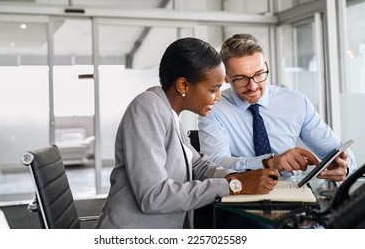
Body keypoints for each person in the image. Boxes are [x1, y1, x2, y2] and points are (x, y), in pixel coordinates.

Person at [95, 37, 279, 229]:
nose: (218, 97)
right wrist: (233, 185)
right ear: (183, 85)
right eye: (213, 89)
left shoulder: (169, 113)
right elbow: (154, 196)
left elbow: (198, 165)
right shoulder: (148, 108)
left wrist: (238, 177)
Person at [198, 33, 356, 182]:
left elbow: (337, 150)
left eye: (259, 74)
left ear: (266, 66)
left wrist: (344, 166)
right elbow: (215, 165)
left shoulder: (296, 102)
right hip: (239, 199)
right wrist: (269, 163)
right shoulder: (213, 108)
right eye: (241, 78)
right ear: (226, 77)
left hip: (293, 196)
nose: (253, 86)